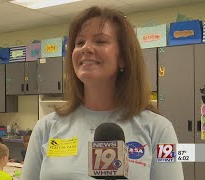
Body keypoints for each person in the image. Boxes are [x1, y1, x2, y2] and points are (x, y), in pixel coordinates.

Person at [22, 6, 183, 180]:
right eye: (79, 42)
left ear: (123, 57)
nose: (86, 48)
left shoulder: (160, 130)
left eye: (100, 41)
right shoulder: (45, 128)